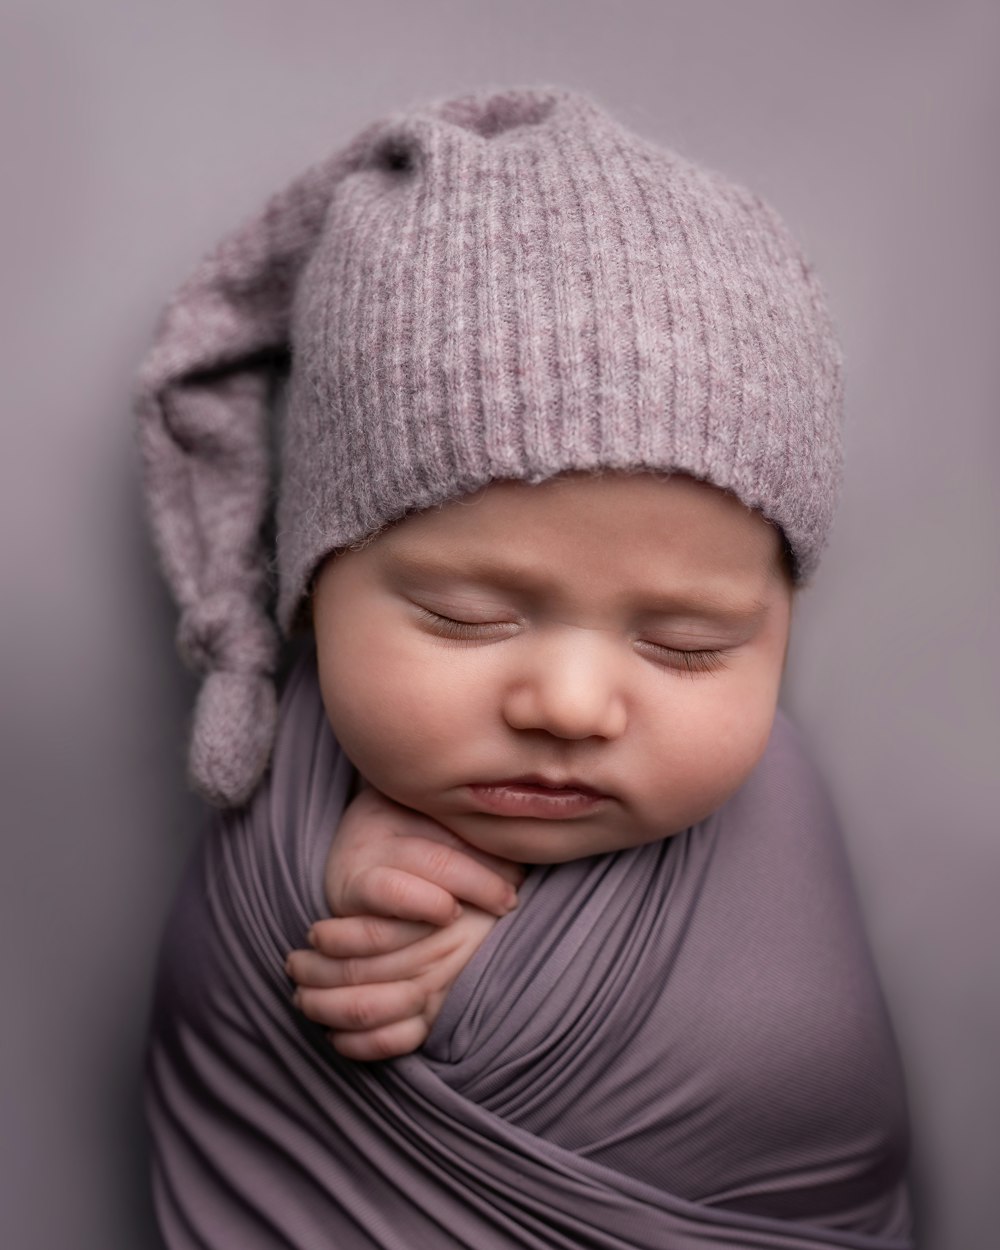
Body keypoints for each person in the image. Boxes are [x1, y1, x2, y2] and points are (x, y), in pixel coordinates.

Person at [135, 84, 915, 1248]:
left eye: (686, 644)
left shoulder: (776, 835)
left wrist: (508, 986)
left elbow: (794, 1096)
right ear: (311, 585)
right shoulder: (284, 787)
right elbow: (232, 1017)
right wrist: (319, 875)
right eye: (463, 615)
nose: (568, 704)